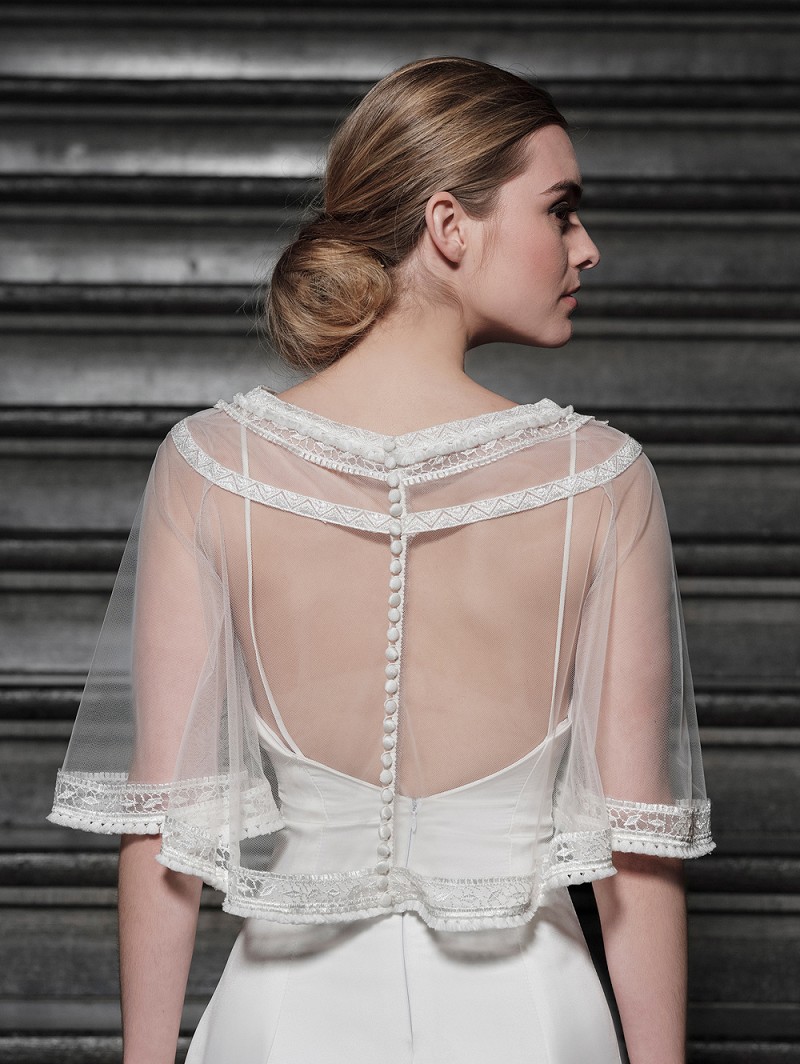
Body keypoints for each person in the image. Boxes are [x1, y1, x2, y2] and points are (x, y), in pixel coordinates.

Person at [47, 56, 715, 1064]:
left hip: (284, 1016)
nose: (586, 246)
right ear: (449, 225)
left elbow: (164, 829)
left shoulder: (210, 464)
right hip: (529, 1017)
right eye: (560, 209)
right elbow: (639, 844)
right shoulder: (603, 479)